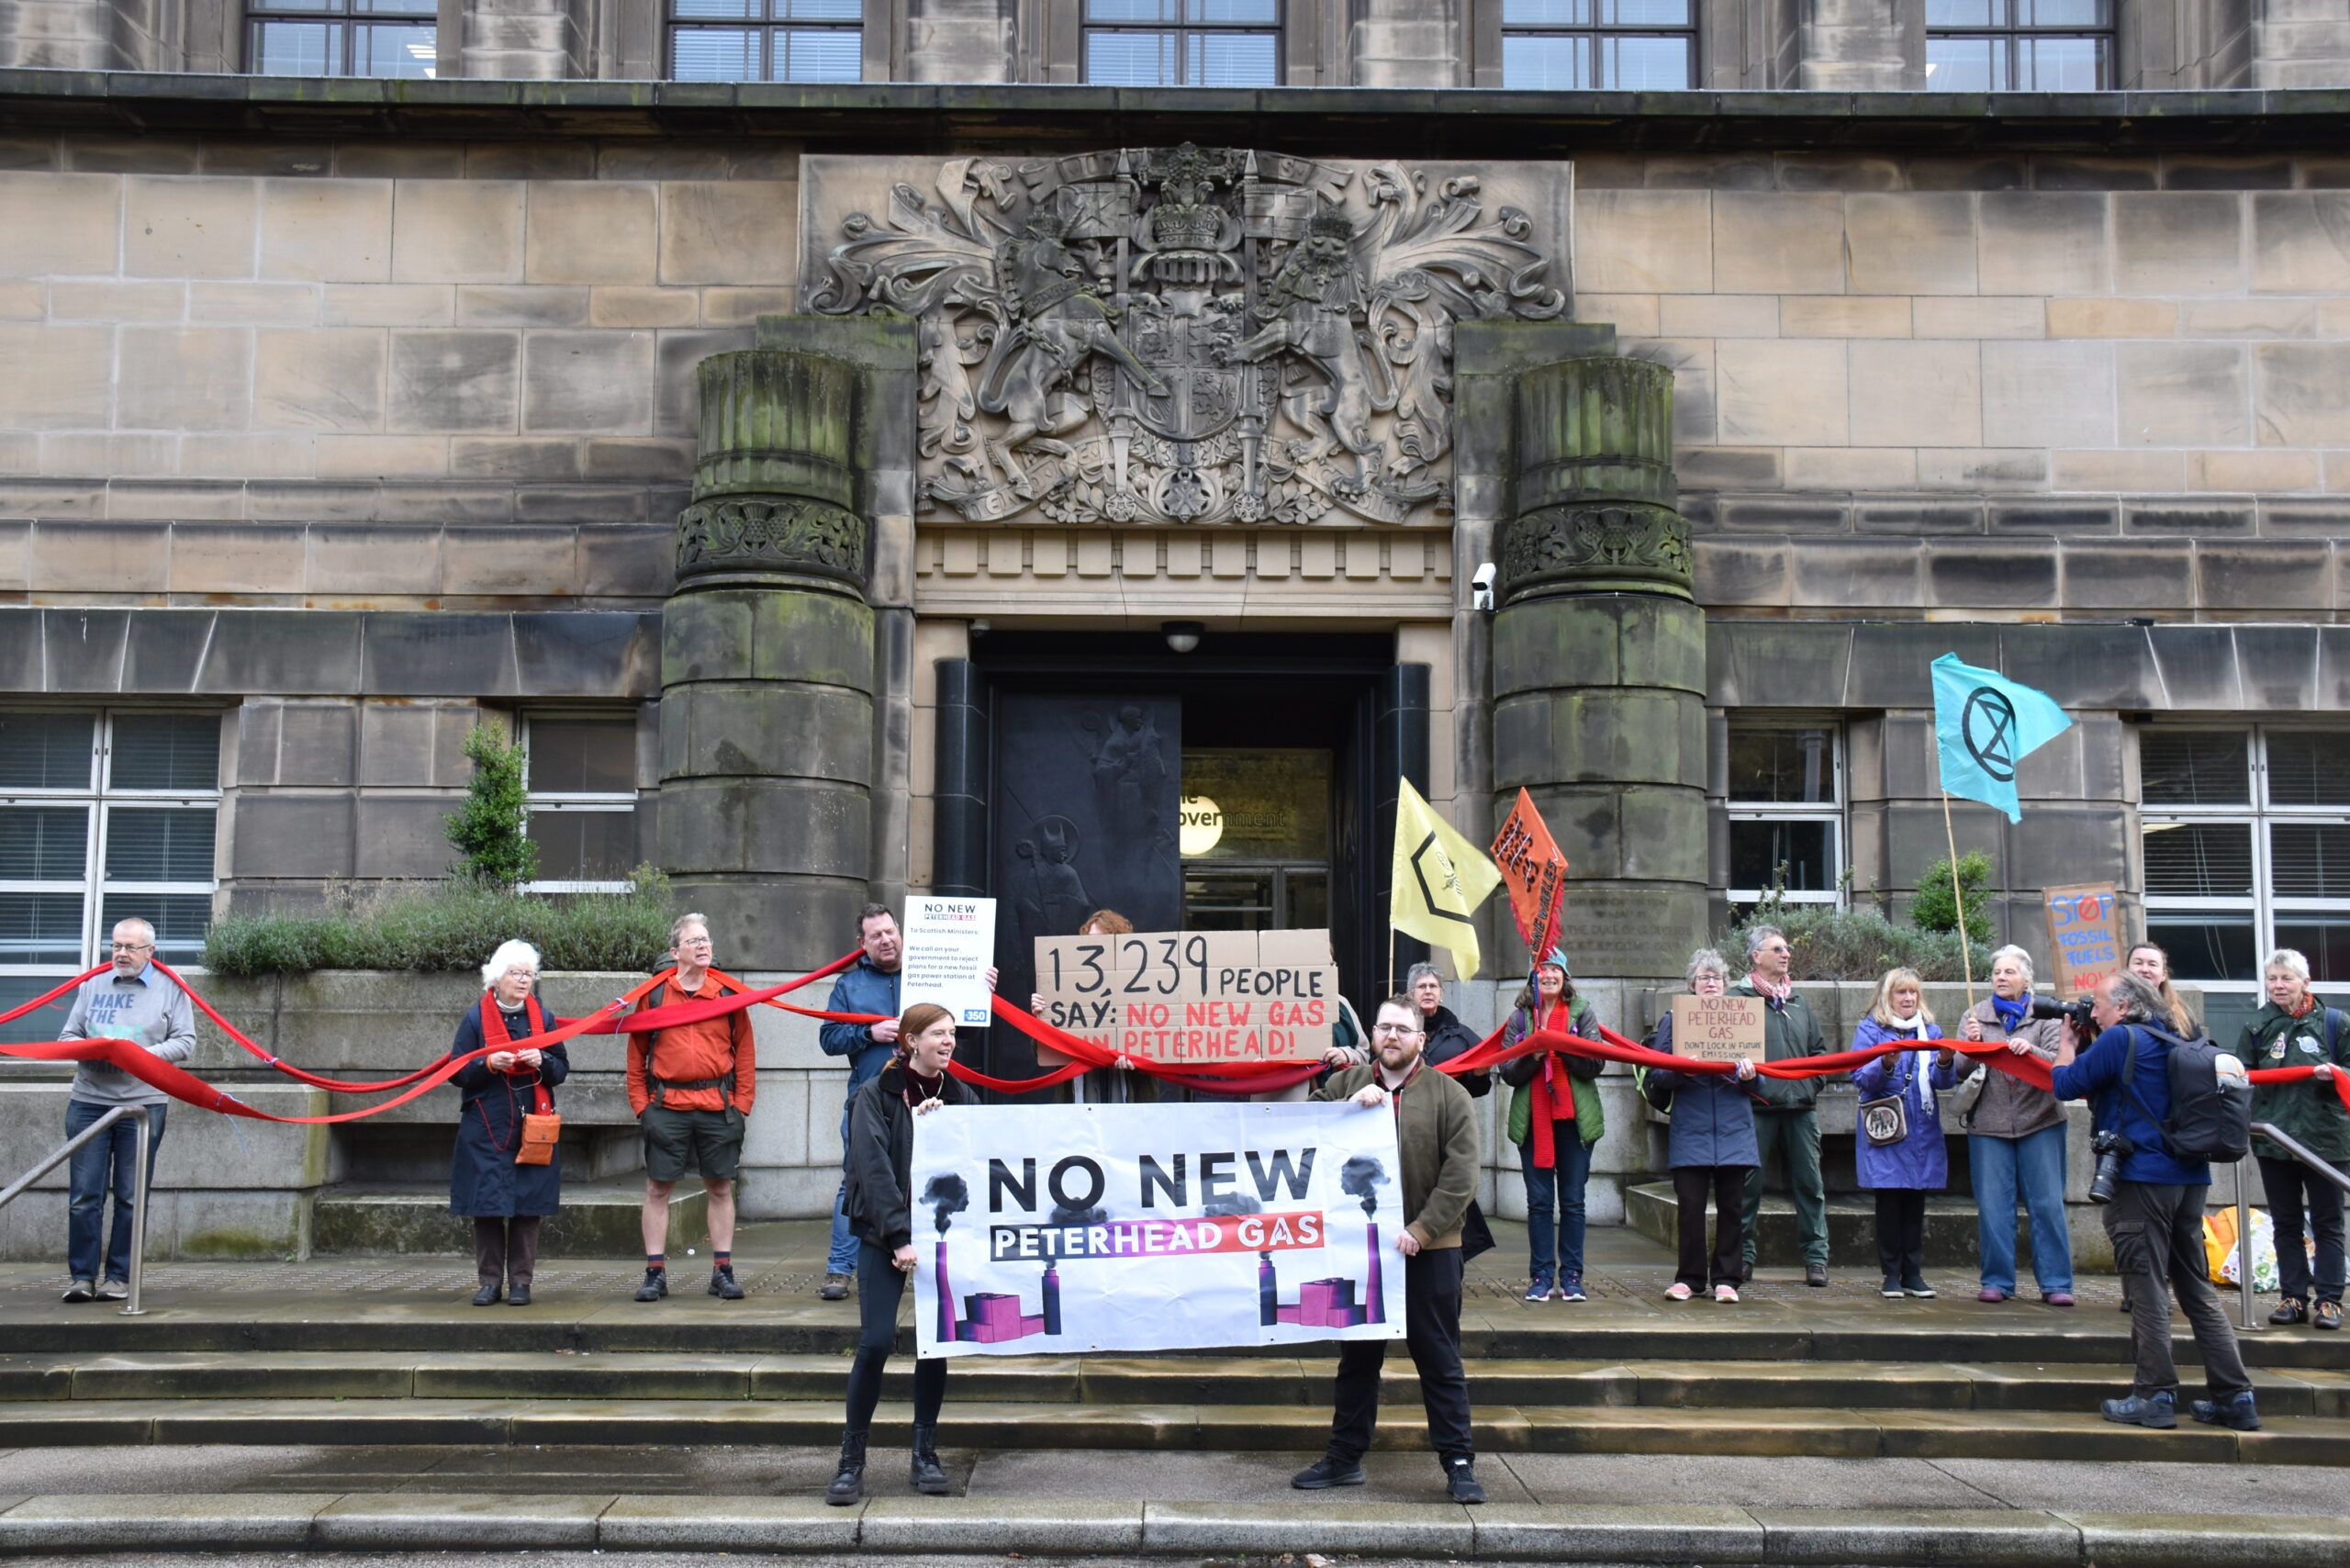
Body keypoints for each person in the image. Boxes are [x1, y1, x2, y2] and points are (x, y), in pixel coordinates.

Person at [1293, 995, 1484, 1504]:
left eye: (1402, 1028)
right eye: (1384, 1028)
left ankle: (1458, 1462)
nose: (1392, 1036)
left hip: (1430, 1249)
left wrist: (1423, 1229)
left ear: (1421, 1038)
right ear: (1373, 1035)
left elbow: (1462, 1174)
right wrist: (1343, 1109)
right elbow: (1301, 1127)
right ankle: (1344, 1457)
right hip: (1363, 1250)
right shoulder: (1346, 1084)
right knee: (1358, 1359)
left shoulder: (1449, 1095)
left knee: (1438, 1358)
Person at [2052, 969, 2258, 1431]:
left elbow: (2064, 1085)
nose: (2093, 1012)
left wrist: (2067, 1044)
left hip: (2140, 1180)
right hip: (2190, 1178)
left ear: (2124, 1006)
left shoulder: (2120, 1038)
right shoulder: (2178, 1035)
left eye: (2099, 1004)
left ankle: (2154, 1394)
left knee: (2147, 1290)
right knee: (2196, 1289)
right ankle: (2235, 1397)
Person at [826, 1002, 974, 1506]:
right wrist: (897, 1237)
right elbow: (872, 1170)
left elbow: (975, 1162)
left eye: (951, 1033)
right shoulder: (875, 1095)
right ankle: (851, 1460)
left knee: (935, 1346)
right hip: (881, 1235)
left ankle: (924, 1454)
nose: (948, 1042)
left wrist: (942, 1127)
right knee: (874, 1343)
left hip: (939, 1237)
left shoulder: (961, 1096)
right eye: (938, 1034)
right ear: (911, 1041)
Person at [56, 916, 193, 1304]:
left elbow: (185, 1041)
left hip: (142, 1106)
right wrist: (93, 1050)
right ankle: (82, 1278)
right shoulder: (93, 984)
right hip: (89, 1102)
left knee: (131, 1197)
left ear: (150, 951)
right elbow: (68, 1036)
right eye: (116, 946)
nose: (121, 954)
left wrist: (138, 1056)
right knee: (84, 1196)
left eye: (130, 947)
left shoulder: (172, 988)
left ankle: (120, 1278)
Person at [626, 913, 755, 1303]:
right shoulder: (654, 995)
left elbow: (745, 1051)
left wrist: (742, 1104)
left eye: (706, 939)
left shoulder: (728, 993)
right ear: (675, 951)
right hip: (667, 1107)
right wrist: (642, 1106)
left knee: (720, 1187)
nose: (703, 946)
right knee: (657, 1189)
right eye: (693, 941)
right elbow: (636, 1055)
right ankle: (655, 1274)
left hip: (718, 1106)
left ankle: (722, 1271)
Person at [1952, 946, 2076, 1306]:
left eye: (2009, 972)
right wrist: (1970, 1046)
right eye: (1997, 973)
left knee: (2047, 1205)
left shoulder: (2047, 1015)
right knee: (1993, 1207)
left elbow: (2060, 1064)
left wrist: (2030, 1051)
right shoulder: (1975, 1015)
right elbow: (1958, 1071)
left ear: (2027, 979)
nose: (2001, 978)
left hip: (2042, 1121)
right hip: (1988, 1125)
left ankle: (2056, 1283)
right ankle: (1996, 1281)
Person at [446, 939, 568, 1307]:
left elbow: (561, 1070)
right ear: (496, 977)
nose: (524, 980)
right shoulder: (475, 1019)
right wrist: (487, 1064)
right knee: (487, 1206)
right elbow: (456, 1071)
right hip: (486, 1127)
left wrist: (543, 1061)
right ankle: (488, 1283)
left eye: (529, 974)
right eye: (516, 973)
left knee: (528, 1207)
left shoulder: (544, 1018)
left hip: (532, 1126)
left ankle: (521, 1283)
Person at [1640, 947, 1760, 1304]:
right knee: (1690, 1208)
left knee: (1732, 1208)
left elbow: (1763, 1082)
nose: (1711, 983)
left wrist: (1751, 1077)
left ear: (1726, 984)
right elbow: (1659, 1074)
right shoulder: (1674, 1020)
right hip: (1691, 1128)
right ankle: (1690, 1279)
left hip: (1734, 1128)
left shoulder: (1743, 1019)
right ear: (1691, 984)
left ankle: (1727, 1279)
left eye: (1717, 978)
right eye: (1703, 978)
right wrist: (1683, 1069)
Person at [2239, 948, 2348, 1331]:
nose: (2278, 985)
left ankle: (2330, 1300)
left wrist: (2335, 1073)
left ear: (2306, 982)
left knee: (2328, 1222)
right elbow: (2241, 1077)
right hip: (2274, 1140)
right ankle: (2293, 1298)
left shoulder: (2335, 1023)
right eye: (2272, 978)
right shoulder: (2257, 1026)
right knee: (2285, 1223)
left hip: (2326, 1139)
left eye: (2286, 978)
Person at [1498, 950, 1603, 1302]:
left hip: (1575, 1123)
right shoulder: (1519, 1018)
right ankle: (1541, 1276)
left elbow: (1596, 1063)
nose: (1548, 975)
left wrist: (1561, 1047)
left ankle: (1572, 1276)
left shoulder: (1582, 1012)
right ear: (1533, 978)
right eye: (1542, 970)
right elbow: (1507, 1071)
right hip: (1534, 1122)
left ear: (1565, 977)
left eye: (1555, 969)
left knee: (1573, 1201)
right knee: (1540, 1203)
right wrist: (1533, 1055)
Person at [1852, 968, 1960, 1301]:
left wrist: (1945, 1062)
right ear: (1888, 997)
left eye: (1913, 992)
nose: (1908, 998)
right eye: (1901, 992)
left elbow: (1942, 1082)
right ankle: (1890, 1274)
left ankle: (1912, 1272)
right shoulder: (1871, 1029)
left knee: (1915, 1202)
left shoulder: (1931, 1031)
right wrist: (1885, 1064)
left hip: (1921, 1128)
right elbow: (1860, 1078)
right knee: (1889, 1201)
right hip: (1888, 1127)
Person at [1733, 926, 1831, 1286]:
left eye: (1787, 948)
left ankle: (1816, 1259)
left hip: (1800, 1109)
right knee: (1746, 1189)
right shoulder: (1737, 999)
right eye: (1777, 949)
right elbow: (1725, 1051)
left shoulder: (1798, 1001)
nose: (1786, 954)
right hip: (1756, 1108)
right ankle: (1742, 1258)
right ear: (1756, 956)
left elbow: (1819, 1052)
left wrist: (1812, 1084)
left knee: (1810, 1185)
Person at [819, 905, 906, 1301]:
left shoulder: (930, 973)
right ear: (862, 943)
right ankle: (840, 1270)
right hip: (868, 1100)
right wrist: (869, 1033)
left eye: (890, 931)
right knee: (855, 1182)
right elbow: (829, 1040)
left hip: (925, 1098)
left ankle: (932, 1262)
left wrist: (981, 990)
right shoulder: (848, 986)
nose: (885, 940)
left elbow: (966, 1028)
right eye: (876, 936)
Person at [1408, 962, 1489, 1096]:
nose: (1428, 991)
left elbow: (1480, 1090)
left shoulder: (1462, 1035)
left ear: (1441, 994)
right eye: (1422, 986)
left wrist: (1479, 1076)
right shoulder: (1397, 1032)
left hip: (1449, 1106)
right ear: (1411, 993)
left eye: (1433, 986)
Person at [2128, 943, 2199, 1037]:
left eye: (2152, 964)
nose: (2144, 969)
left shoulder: (2182, 1014)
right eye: (2138, 963)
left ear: (2164, 975)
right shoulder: (2112, 1006)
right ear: (2126, 970)